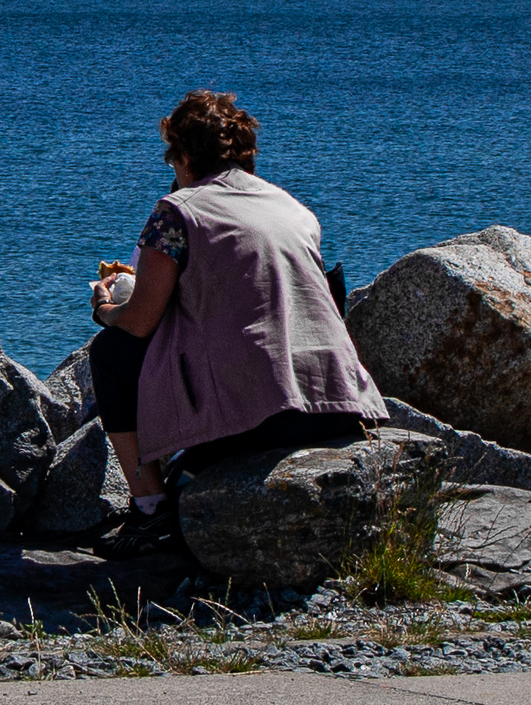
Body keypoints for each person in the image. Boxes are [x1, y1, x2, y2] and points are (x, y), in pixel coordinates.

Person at [85, 90, 388, 558]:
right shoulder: (294, 209)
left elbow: (142, 321)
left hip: (261, 418)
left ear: (182, 156)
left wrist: (105, 308)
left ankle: (148, 509)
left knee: (108, 354)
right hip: (340, 406)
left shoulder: (176, 213)